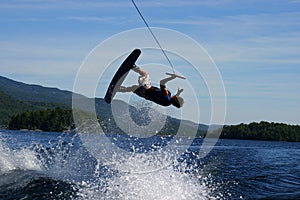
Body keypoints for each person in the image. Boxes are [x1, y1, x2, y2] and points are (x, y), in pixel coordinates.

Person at [118, 65, 184, 108]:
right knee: (132, 88)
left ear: (175, 97)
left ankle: (133, 66)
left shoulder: (166, 94)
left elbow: (162, 82)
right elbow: (173, 99)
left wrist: (172, 78)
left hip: (146, 88)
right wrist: (178, 93)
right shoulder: (167, 103)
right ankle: (119, 89)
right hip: (144, 95)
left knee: (144, 74)